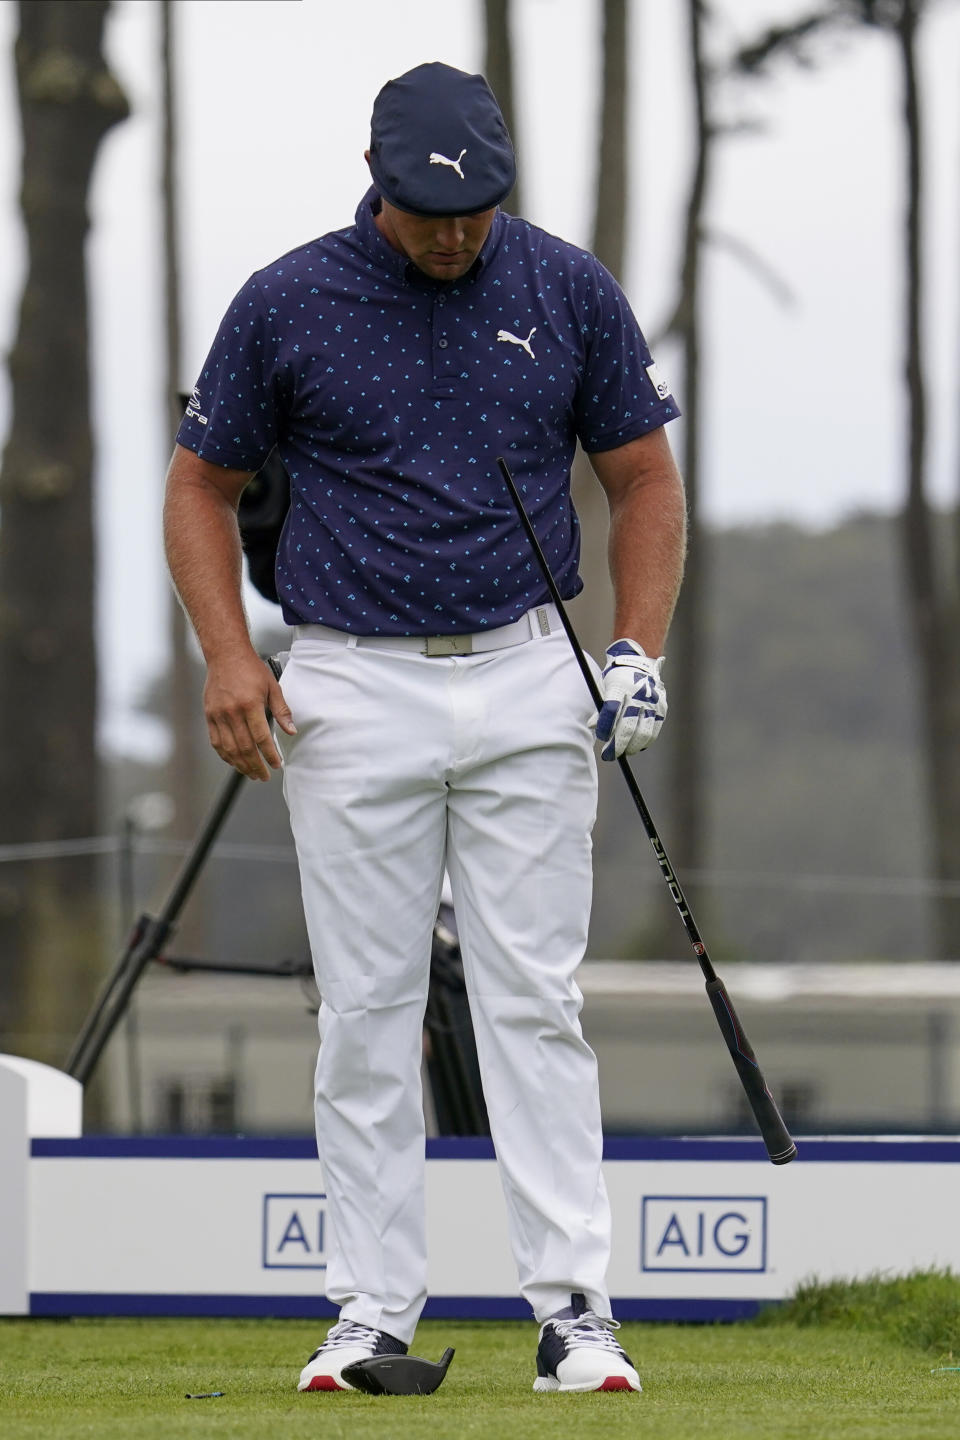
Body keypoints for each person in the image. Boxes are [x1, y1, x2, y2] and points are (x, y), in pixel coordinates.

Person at [163, 61, 685, 1395]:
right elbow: (201, 486)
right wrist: (230, 656)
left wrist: (636, 653)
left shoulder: (566, 288)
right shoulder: (288, 300)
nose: (453, 234)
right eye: (425, 212)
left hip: (528, 672)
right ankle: (371, 1313)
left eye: (475, 212)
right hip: (349, 684)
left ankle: (576, 1318)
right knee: (368, 1011)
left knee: (532, 1002)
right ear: (377, 182)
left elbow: (642, 478)